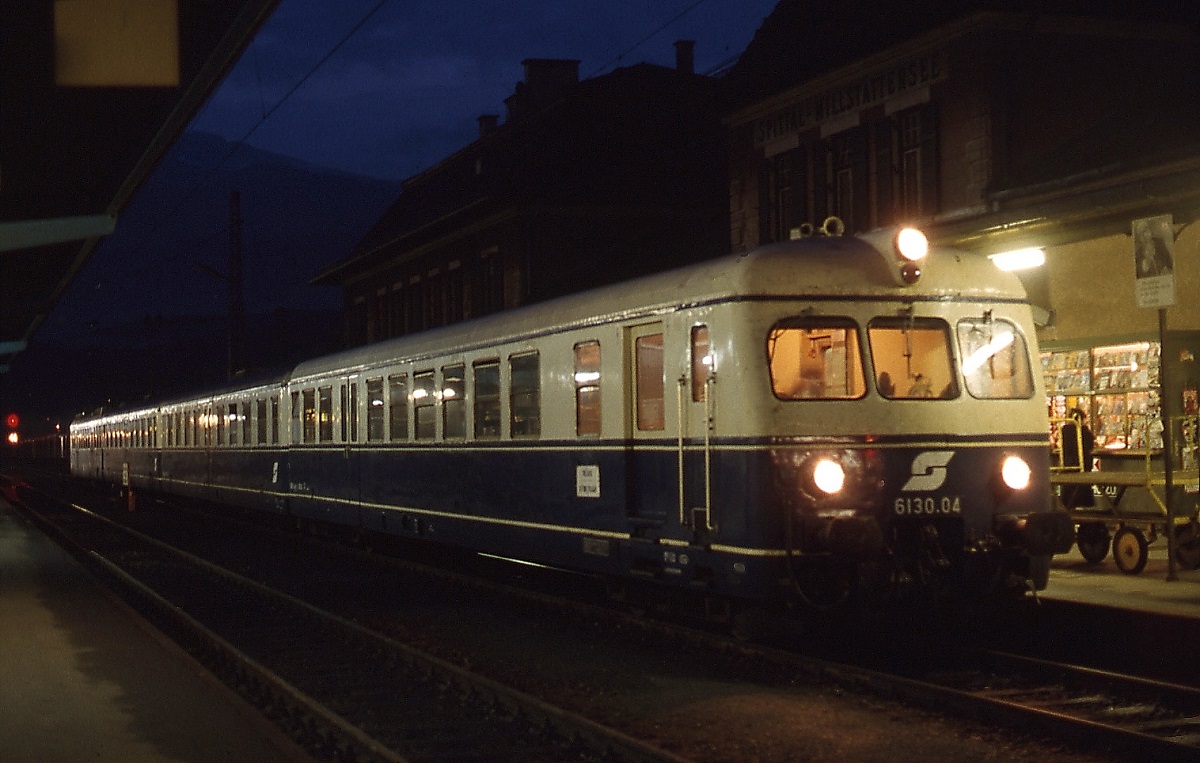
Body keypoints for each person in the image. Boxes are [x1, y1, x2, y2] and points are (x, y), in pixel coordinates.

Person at [1060, 407, 1095, 508]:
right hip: (1083, 465)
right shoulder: (1084, 432)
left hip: (1067, 465)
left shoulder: (1064, 431)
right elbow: (1090, 445)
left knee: (1069, 492)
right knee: (1082, 489)